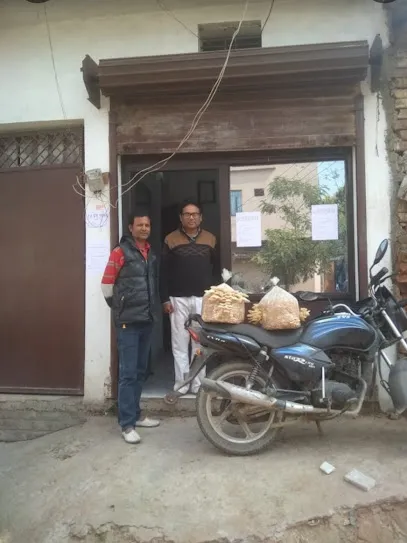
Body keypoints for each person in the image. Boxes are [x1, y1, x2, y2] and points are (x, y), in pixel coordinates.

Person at [101, 210, 160, 444]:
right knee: (127, 374)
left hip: (146, 319)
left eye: (147, 225)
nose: (144, 228)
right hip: (128, 322)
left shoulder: (149, 253)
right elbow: (106, 285)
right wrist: (119, 309)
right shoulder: (120, 252)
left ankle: (136, 415)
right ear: (130, 228)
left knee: (139, 371)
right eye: (140, 225)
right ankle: (126, 424)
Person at [160, 200, 220, 395]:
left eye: (195, 214)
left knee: (199, 343)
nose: (191, 217)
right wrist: (165, 299)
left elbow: (217, 271)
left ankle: (198, 384)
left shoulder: (211, 239)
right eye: (187, 214)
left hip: (203, 299)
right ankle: (182, 384)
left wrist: (216, 296)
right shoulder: (171, 239)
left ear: (201, 217)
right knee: (179, 342)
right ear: (181, 217)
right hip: (178, 298)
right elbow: (163, 272)